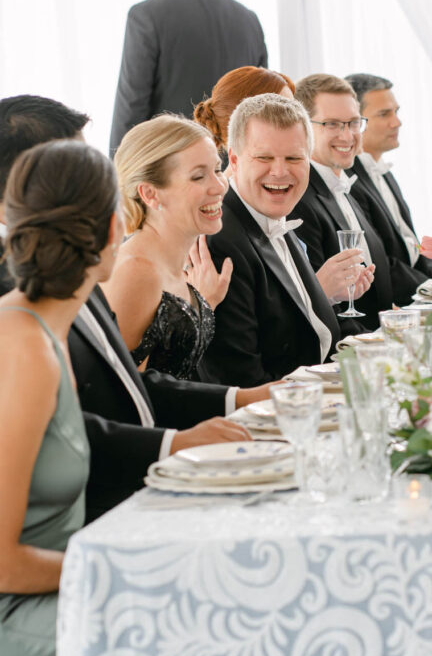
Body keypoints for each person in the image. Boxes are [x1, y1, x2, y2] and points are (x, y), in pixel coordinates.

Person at [0, 95, 251, 520]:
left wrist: (239, 400)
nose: (104, 191)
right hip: (95, 505)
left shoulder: (79, 260)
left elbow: (124, 382)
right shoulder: (17, 296)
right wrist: (172, 445)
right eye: (80, 170)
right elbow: (65, 425)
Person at [0, 140, 119, 656]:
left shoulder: (43, 329)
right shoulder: (23, 347)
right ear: (115, 228)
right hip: (13, 611)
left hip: (50, 591)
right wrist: (116, 567)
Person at [194, 65, 373, 307]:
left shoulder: (281, 201)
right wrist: (320, 290)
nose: (293, 118)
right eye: (279, 107)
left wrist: (323, 295)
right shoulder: (225, 223)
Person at [200, 94, 342, 386]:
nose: (279, 172)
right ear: (235, 160)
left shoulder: (276, 214)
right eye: (264, 158)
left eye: (294, 158)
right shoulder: (221, 241)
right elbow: (242, 378)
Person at [109, 0, 268, 156]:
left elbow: (132, 105)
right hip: (238, 166)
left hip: (174, 166)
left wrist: (118, 168)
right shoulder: (248, 18)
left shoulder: (146, 16)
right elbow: (265, 101)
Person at [103, 116, 232, 381]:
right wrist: (240, 398)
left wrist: (205, 302)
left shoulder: (178, 265)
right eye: (198, 176)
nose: (219, 186)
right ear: (150, 194)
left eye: (218, 170)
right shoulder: (136, 273)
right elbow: (125, 391)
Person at [292, 74, 393, 329]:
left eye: (354, 123)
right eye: (333, 124)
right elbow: (320, 305)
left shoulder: (345, 185)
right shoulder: (299, 202)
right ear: (303, 128)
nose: (348, 136)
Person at [345, 73, 432, 296]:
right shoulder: (347, 183)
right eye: (384, 114)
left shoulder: (385, 173)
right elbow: (379, 262)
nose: (397, 122)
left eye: (396, 112)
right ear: (355, 122)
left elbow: (412, 247)